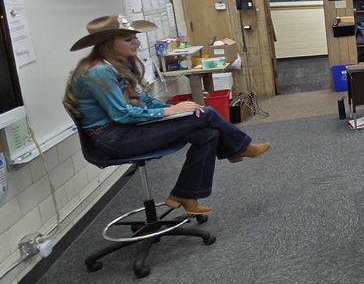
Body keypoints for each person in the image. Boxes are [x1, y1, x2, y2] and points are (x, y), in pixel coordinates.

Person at [63, 14, 270, 215]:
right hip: (112, 139)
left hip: (125, 132)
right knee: (206, 114)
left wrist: (174, 107)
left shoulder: (116, 65)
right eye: (128, 39)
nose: (136, 42)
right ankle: (239, 148)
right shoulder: (99, 71)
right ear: (108, 45)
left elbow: (143, 99)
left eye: (135, 37)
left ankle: (185, 194)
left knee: (208, 134)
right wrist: (169, 111)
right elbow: (122, 115)